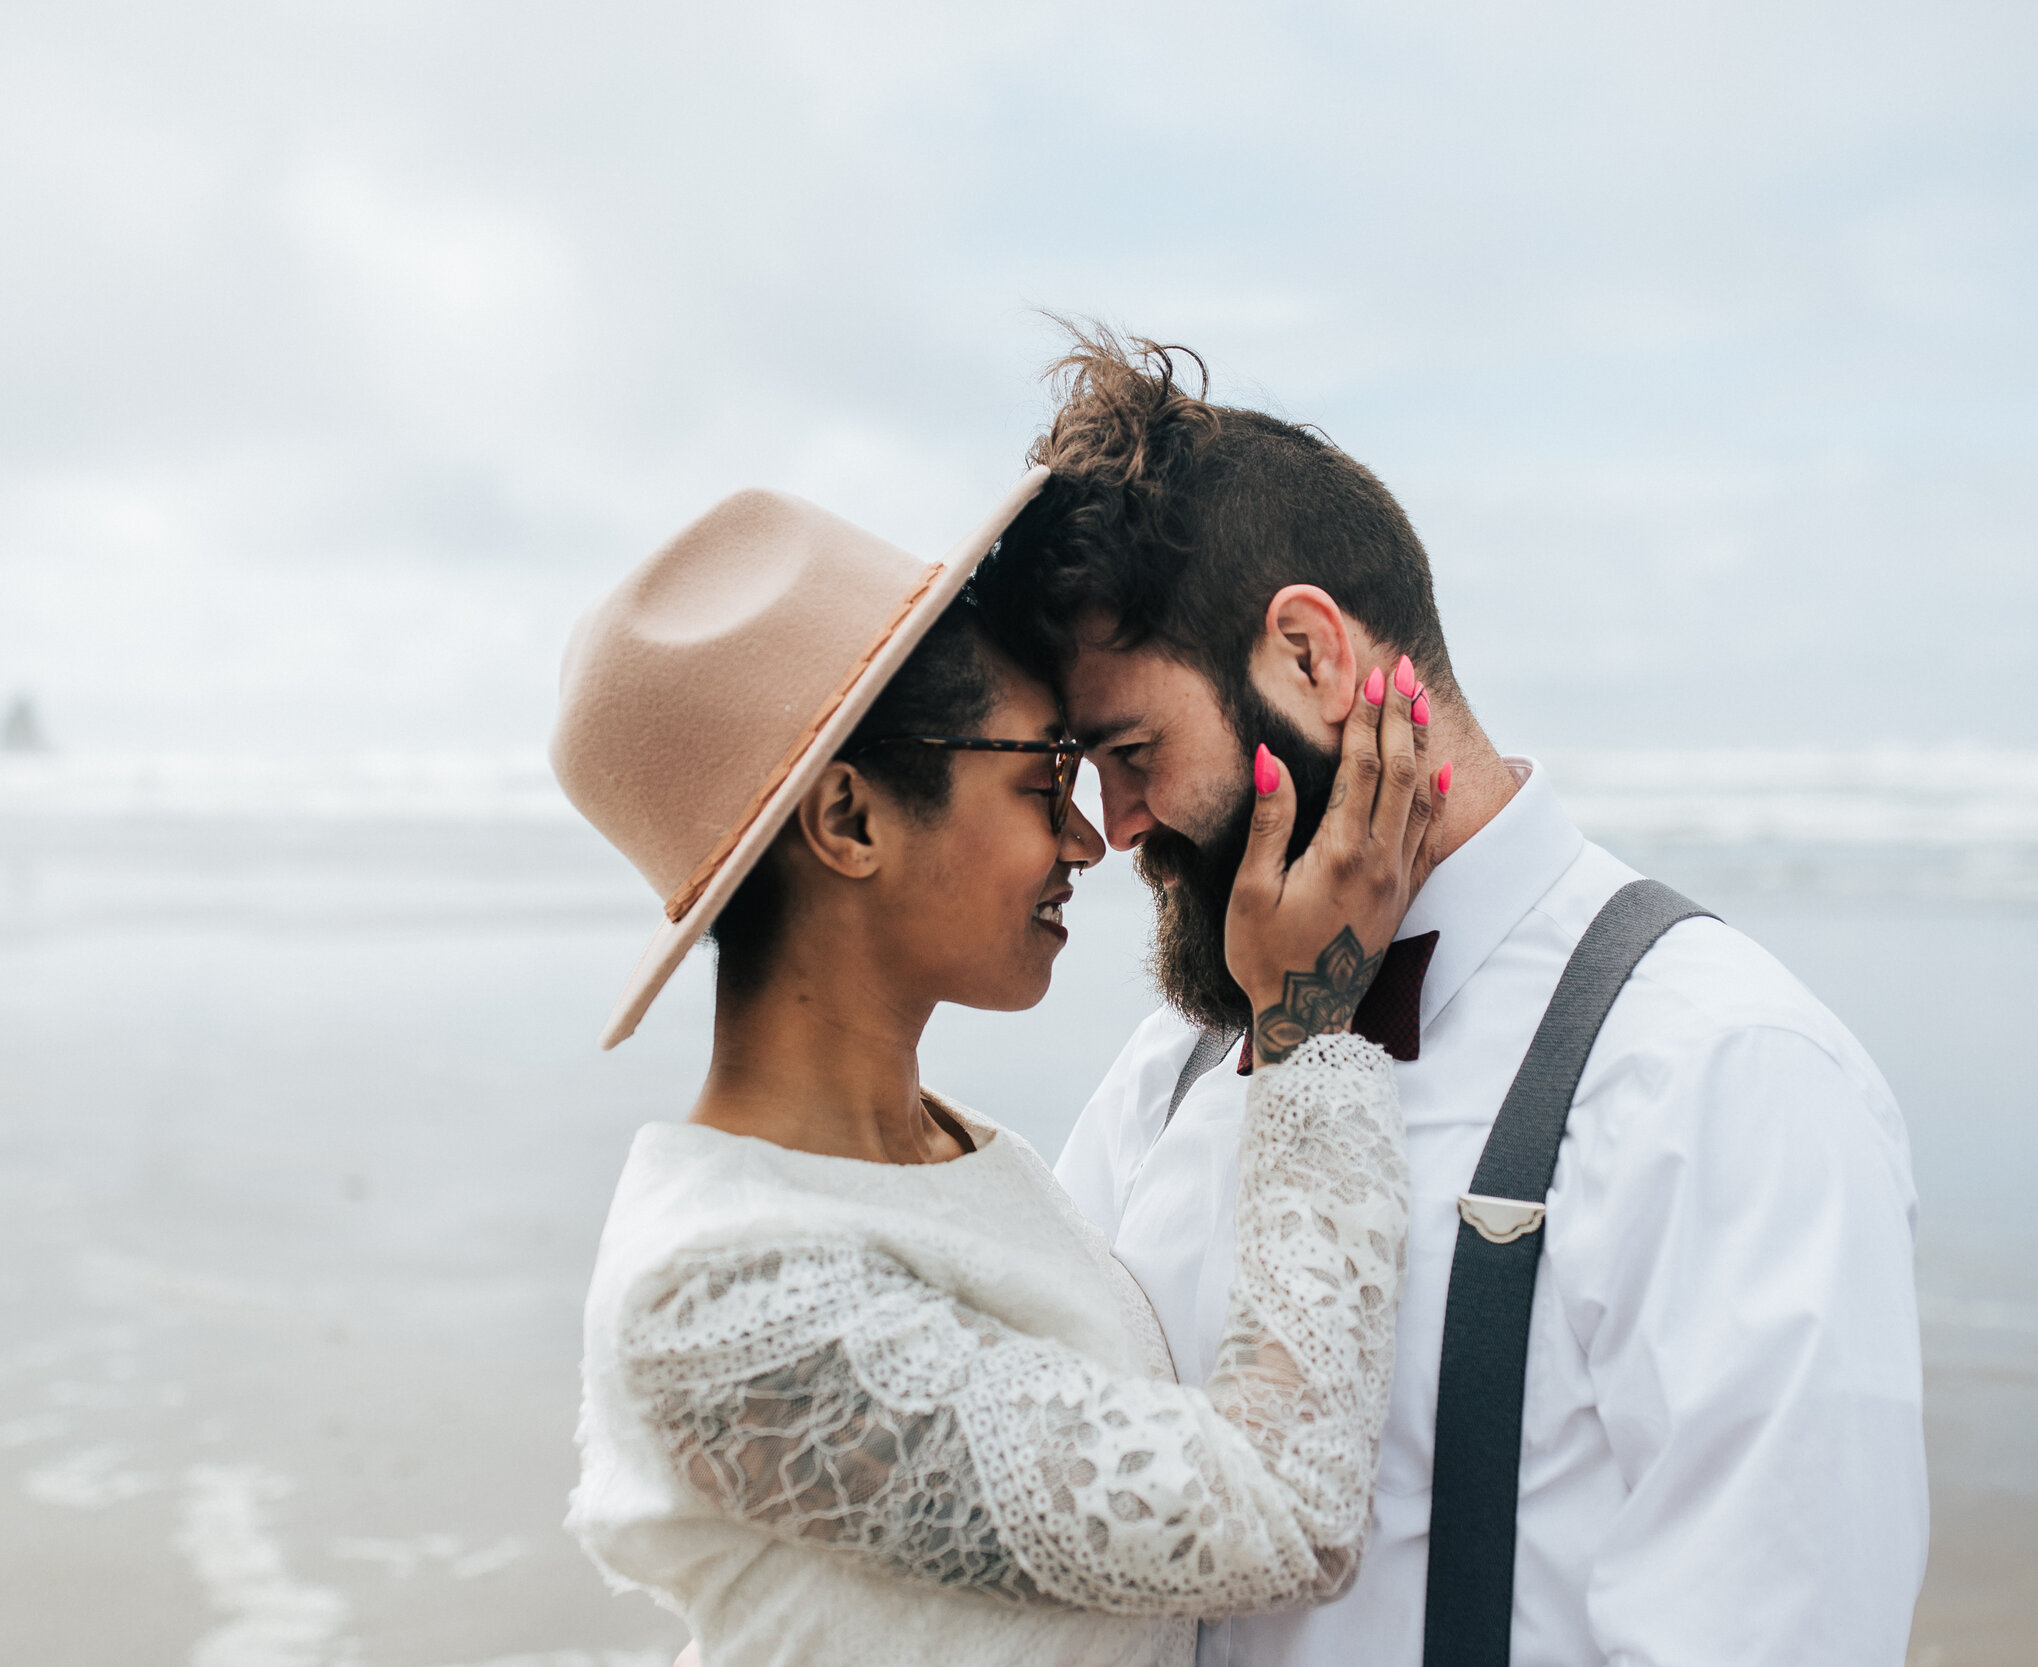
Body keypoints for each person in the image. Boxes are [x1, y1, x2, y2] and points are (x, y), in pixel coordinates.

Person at [969, 332, 1929, 1666]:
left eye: (1134, 750)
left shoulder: (1721, 1071)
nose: (1116, 822)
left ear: (1309, 653)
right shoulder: (1166, 1073)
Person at [550, 478, 1445, 1667]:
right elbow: (1279, 1510)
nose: (1089, 837)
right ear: (849, 821)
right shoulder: (717, 1298)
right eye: (1041, 780)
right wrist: (1304, 1027)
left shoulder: (948, 1149)